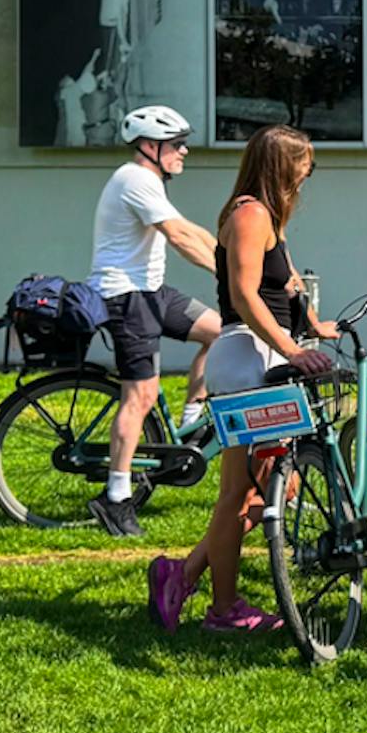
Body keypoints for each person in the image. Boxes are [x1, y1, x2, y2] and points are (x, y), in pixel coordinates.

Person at [147, 125, 334, 634]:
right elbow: (246, 295)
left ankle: (182, 574)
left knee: (278, 484)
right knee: (239, 492)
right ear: (282, 164)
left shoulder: (268, 217)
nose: (308, 173)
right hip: (249, 357)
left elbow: (288, 288)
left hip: (263, 358)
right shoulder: (250, 215)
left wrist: (316, 328)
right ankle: (222, 609)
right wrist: (292, 348)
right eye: (305, 164)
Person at [85, 105, 222, 537]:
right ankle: (116, 497)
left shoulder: (149, 181)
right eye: (177, 144)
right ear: (150, 146)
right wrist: (227, 276)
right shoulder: (136, 179)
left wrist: (234, 259)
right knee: (139, 397)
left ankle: (189, 422)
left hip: (151, 291)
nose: (184, 152)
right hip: (126, 297)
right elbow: (179, 238)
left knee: (220, 332)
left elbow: (190, 228)